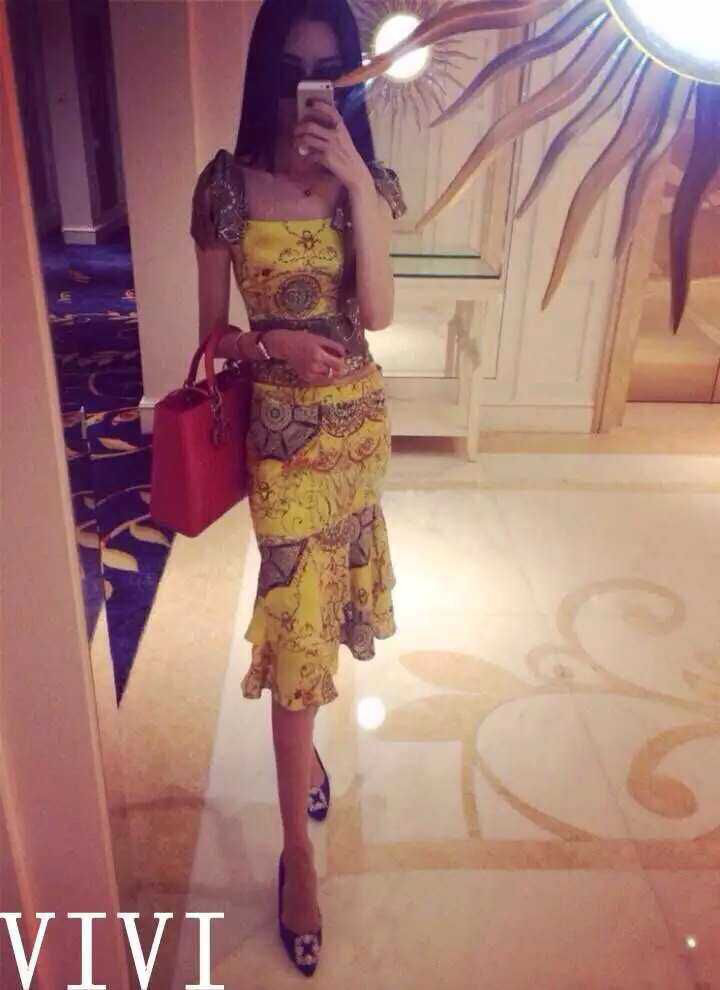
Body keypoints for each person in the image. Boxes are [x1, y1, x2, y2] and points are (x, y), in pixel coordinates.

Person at [190, 0, 406, 976]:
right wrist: (267, 339)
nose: (303, 90)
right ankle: (299, 860)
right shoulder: (227, 188)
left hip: (356, 436)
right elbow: (211, 340)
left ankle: (305, 757)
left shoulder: (368, 185)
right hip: (282, 451)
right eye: (288, 68)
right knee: (296, 642)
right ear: (263, 73)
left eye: (326, 72)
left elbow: (377, 314)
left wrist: (356, 178)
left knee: (323, 632)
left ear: (349, 80)